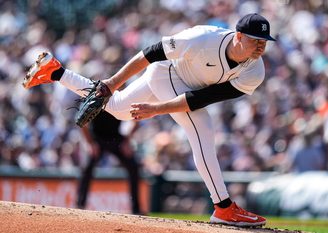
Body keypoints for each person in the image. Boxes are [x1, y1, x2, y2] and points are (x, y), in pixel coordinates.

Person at [23, 13, 276, 227]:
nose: (261, 46)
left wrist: (156, 108)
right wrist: (112, 82)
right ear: (239, 36)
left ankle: (55, 71)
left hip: (184, 88)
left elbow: (201, 98)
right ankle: (223, 207)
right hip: (167, 71)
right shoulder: (202, 38)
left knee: (118, 108)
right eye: (256, 40)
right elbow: (150, 53)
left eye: (264, 41)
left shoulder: (255, 70)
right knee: (203, 128)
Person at [76, 110, 141, 214]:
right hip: (97, 138)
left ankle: (136, 210)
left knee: (133, 167)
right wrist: (90, 143)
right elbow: (81, 122)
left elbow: (137, 121)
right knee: (86, 168)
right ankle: (80, 205)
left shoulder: (121, 98)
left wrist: (127, 141)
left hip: (115, 138)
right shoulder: (98, 97)